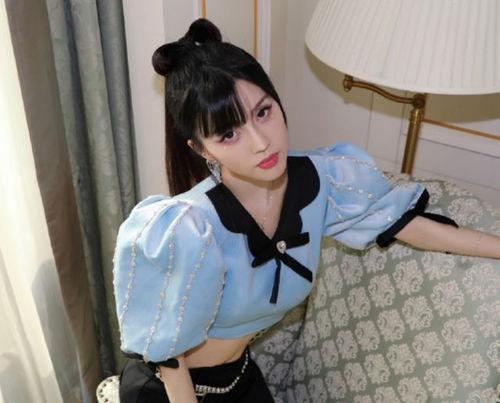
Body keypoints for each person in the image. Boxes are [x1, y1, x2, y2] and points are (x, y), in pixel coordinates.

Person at [112, 18, 500, 403]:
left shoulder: (325, 179)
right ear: (201, 149)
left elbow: (409, 225)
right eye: (229, 134)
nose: (261, 142)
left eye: (263, 113)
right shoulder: (187, 227)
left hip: (240, 378)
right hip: (169, 392)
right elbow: (169, 356)